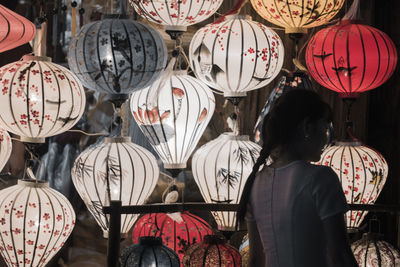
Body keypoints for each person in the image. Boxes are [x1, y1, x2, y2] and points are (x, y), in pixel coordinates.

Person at [237, 89, 358, 267]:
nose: (326, 139)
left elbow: (256, 260)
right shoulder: (321, 178)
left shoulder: (256, 182)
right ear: (307, 127)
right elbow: (340, 255)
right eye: (324, 128)